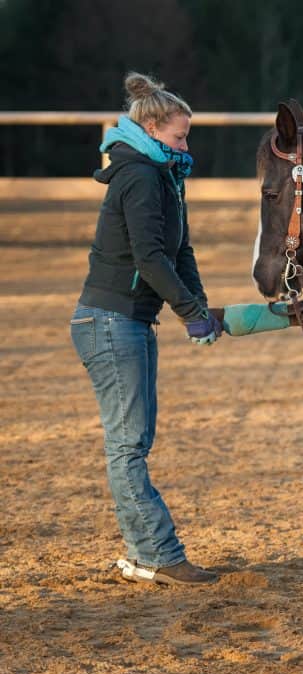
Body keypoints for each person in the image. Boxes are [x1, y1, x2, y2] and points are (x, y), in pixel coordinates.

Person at [69, 72, 222, 585]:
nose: (186, 145)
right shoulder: (138, 176)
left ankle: (142, 555)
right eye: (180, 136)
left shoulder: (164, 177)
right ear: (153, 128)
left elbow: (180, 251)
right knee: (128, 446)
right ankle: (158, 553)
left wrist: (199, 305)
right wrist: (187, 312)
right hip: (109, 322)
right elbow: (148, 257)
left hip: (130, 321)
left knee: (133, 443)